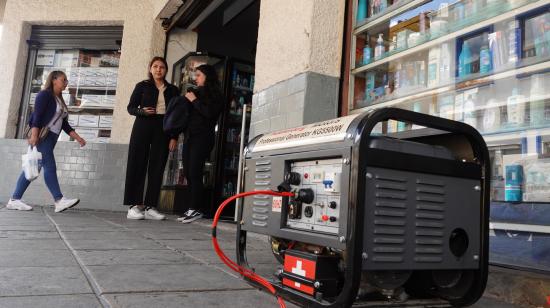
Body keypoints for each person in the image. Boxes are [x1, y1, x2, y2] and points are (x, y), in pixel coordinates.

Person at [6, 70, 86, 212]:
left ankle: (14, 199)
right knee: (50, 166)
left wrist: (78, 138)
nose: (66, 82)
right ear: (54, 80)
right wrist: (34, 136)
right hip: (43, 136)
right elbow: (37, 116)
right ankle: (59, 200)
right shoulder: (45, 95)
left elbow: (64, 124)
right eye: (64, 79)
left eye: (66, 80)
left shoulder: (59, 99)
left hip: (52, 138)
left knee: (31, 168)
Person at [124, 56, 179, 220]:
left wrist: (174, 137)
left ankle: (151, 207)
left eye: (162, 67)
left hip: (163, 128)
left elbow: (176, 115)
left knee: (158, 166)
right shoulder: (142, 86)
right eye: (155, 66)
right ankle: (134, 206)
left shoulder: (173, 90)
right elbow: (130, 108)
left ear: (166, 70)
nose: (158, 69)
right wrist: (142, 111)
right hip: (142, 125)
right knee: (137, 163)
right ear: (150, 69)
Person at [178, 64, 224, 223]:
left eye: (198, 75)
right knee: (189, 173)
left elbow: (209, 114)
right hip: (189, 137)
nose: (195, 78)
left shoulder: (216, 95)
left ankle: (195, 209)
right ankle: (191, 208)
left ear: (207, 76)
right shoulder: (194, 93)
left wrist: (195, 101)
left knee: (195, 172)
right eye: (195, 75)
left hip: (203, 137)